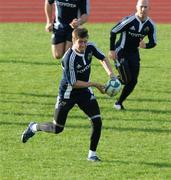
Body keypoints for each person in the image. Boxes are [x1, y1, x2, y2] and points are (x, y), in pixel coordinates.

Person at [21, 27, 118, 162]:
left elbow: (103, 58)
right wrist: (95, 84)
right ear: (73, 41)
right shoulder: (69, 58)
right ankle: (34, 127)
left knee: (97, 121)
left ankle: (92, 155)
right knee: (57, 128)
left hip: (84, 92)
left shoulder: (90, 47)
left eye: (85, 41)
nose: (83, 45)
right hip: (68, 93)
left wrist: (111, 75)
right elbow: (73, 83)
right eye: (80, 42)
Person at [108, 0, 157, 110]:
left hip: (134, 54)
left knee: (133, 81)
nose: (143, 9)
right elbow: (113, 31)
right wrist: (111, 50)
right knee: (126, 79)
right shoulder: (129, 20)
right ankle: (110, 85)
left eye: (145, 7)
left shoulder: (151, 25)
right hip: (120, 52)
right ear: (136, 7)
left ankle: (118, 103)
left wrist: (146, 45)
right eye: (141, 6)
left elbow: (153, 42)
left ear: (149, 9)